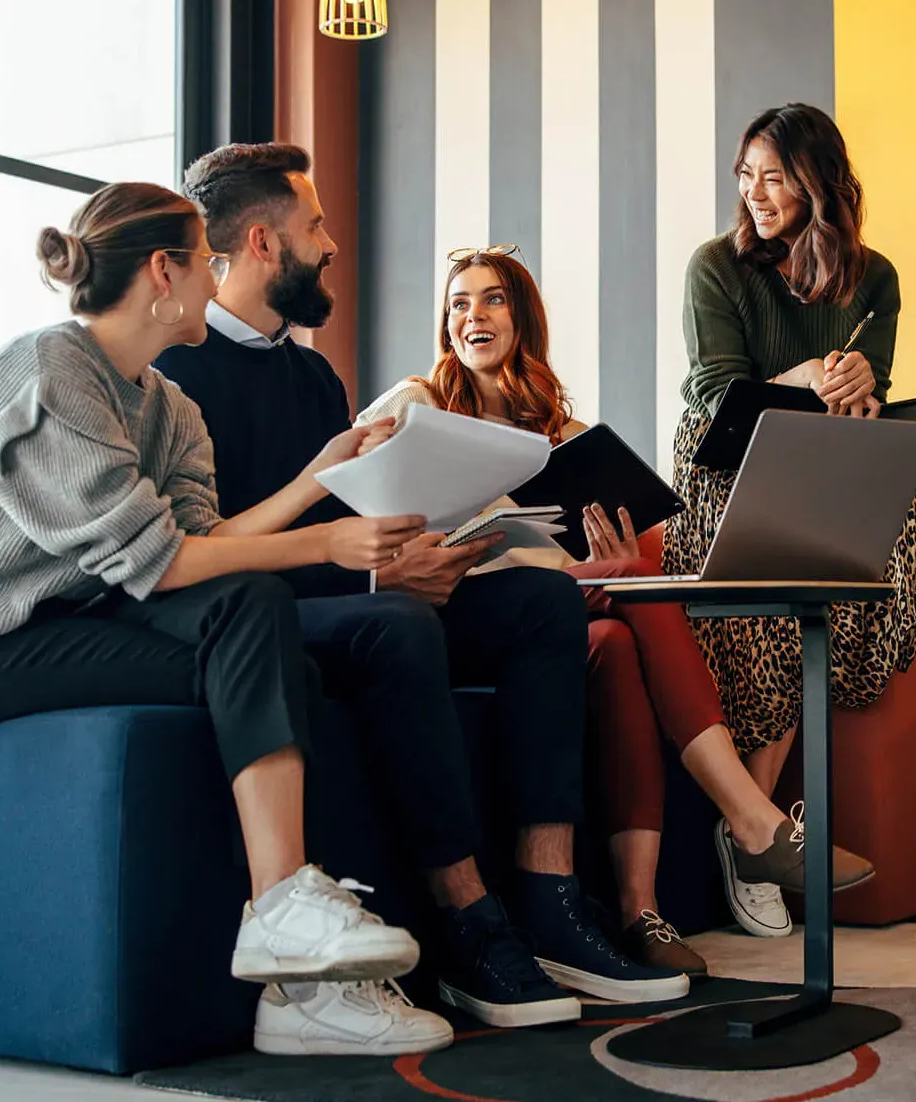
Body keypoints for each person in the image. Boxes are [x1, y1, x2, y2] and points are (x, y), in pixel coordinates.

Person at [154, 143, 693, 1038]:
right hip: (261, 616)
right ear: (261, 241)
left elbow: (366, 506)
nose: (331, 244)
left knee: (543, 606)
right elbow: (212, 552)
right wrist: (376, 573)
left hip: (359, 587)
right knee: (399, 625)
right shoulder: (180, 375)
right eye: (316, 225)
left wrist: (423, 553)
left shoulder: (314, 374)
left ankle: (551, 900)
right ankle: (468, 927)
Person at [0, 181, 461, 1057]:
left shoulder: (169, 406)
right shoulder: (49, 371)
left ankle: (302, 988)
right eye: (207, 260)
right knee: (255, 614)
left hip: (70, 623)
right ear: (166, 270)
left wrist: (319, 478)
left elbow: (202, 540)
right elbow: (166, 564)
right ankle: (281, 915)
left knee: (282, 657)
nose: (218, 277)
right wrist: (327, 543)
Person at [357, 244, 873, 972]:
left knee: (628, 612)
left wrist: (617, 557)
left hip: (556, 618)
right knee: (619, 597)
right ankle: (752, 823)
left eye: (493, 298)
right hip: (453, 609)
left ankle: (641, 911)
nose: (473, 314)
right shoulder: (419, 403)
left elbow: (582, 564)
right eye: (459, 303)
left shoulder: (566, 438)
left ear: (523, 318)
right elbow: (355, 488)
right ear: (446, 327)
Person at [663, 102, 913, 935]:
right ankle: (758, 829)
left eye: (774, 177)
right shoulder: (716, 266)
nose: (755, 192)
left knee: (876, 538)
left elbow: (868, 386)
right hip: (725, 469)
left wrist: (855, 389)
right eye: (747, 176)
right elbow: (711, 395)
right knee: (782, 585)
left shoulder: (874, 277)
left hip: (817, 464)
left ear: (817, 183)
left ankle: (751, 831)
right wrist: (803, 374)